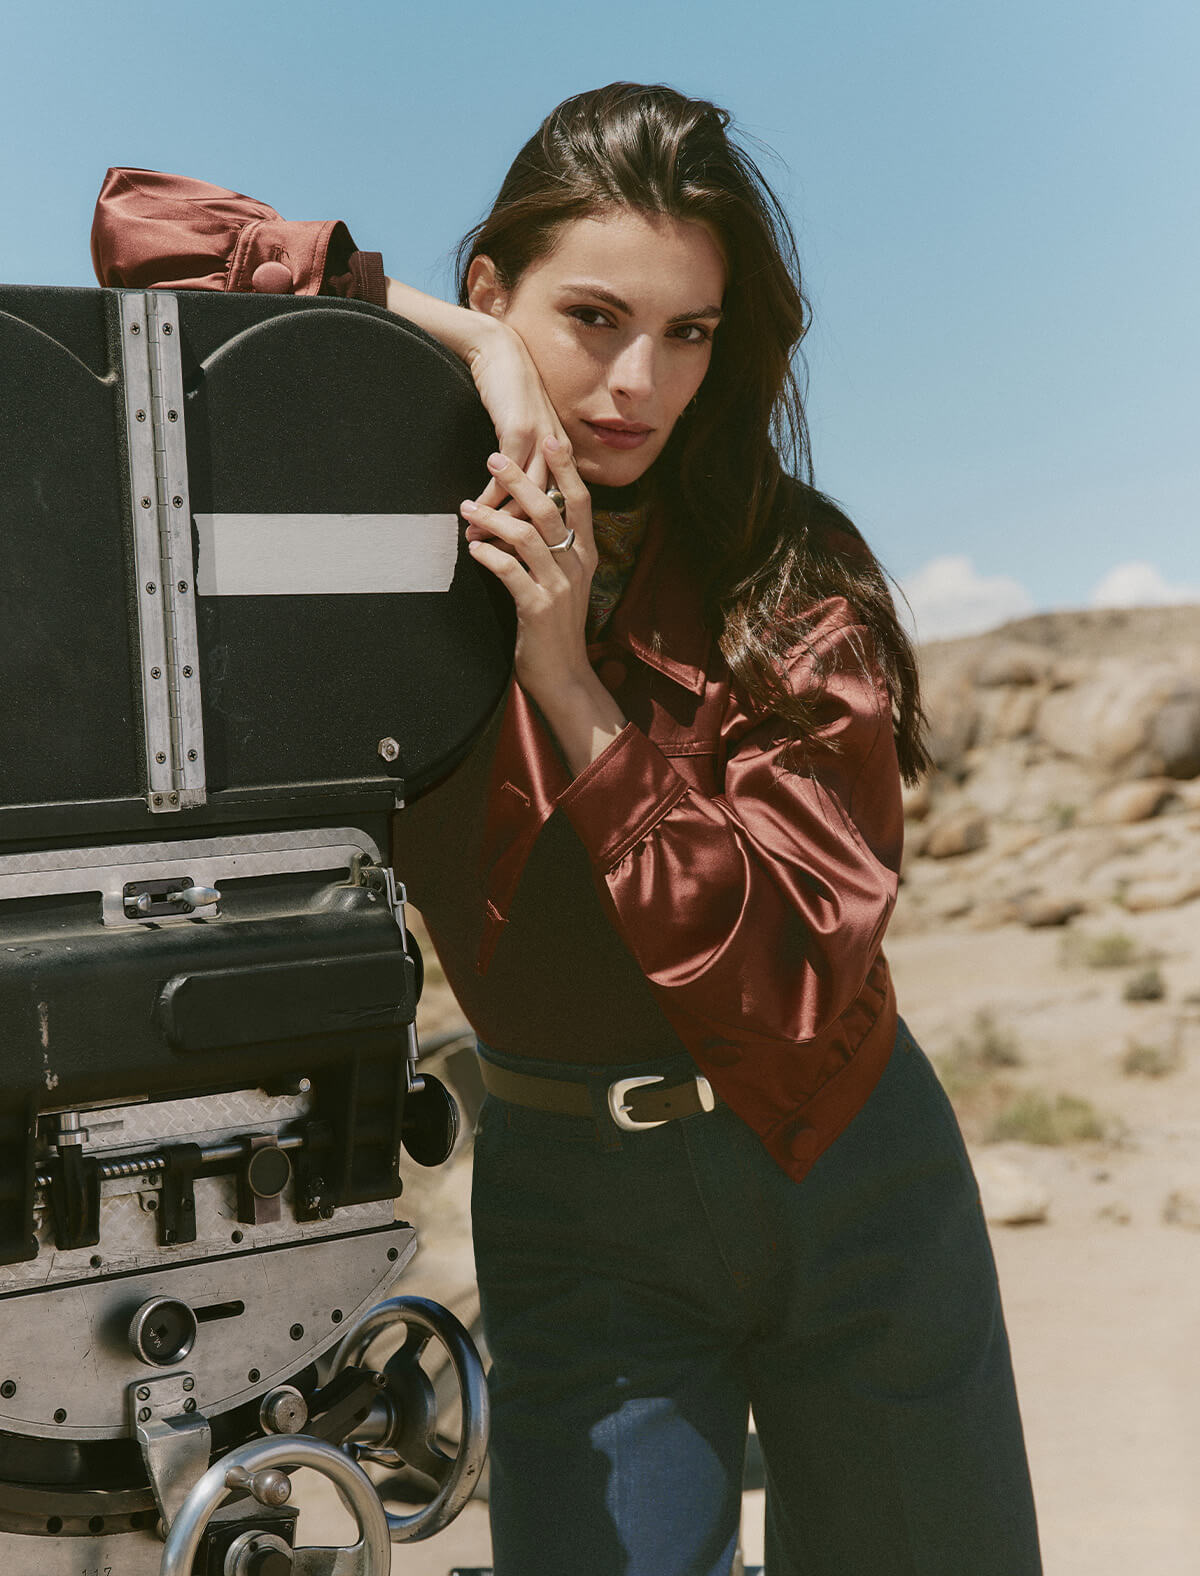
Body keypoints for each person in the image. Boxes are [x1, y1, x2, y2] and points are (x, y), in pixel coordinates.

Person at [92, 82, 1042, 1576]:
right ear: (495, 287)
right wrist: (459, 350)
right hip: (575, 1211)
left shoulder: (792, 572)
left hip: (850, 1179)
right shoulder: (385, 548)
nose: (637, 383)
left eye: (688, 332)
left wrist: (573, 689)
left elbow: (789, 976)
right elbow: (140, 229)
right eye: (591, 319)